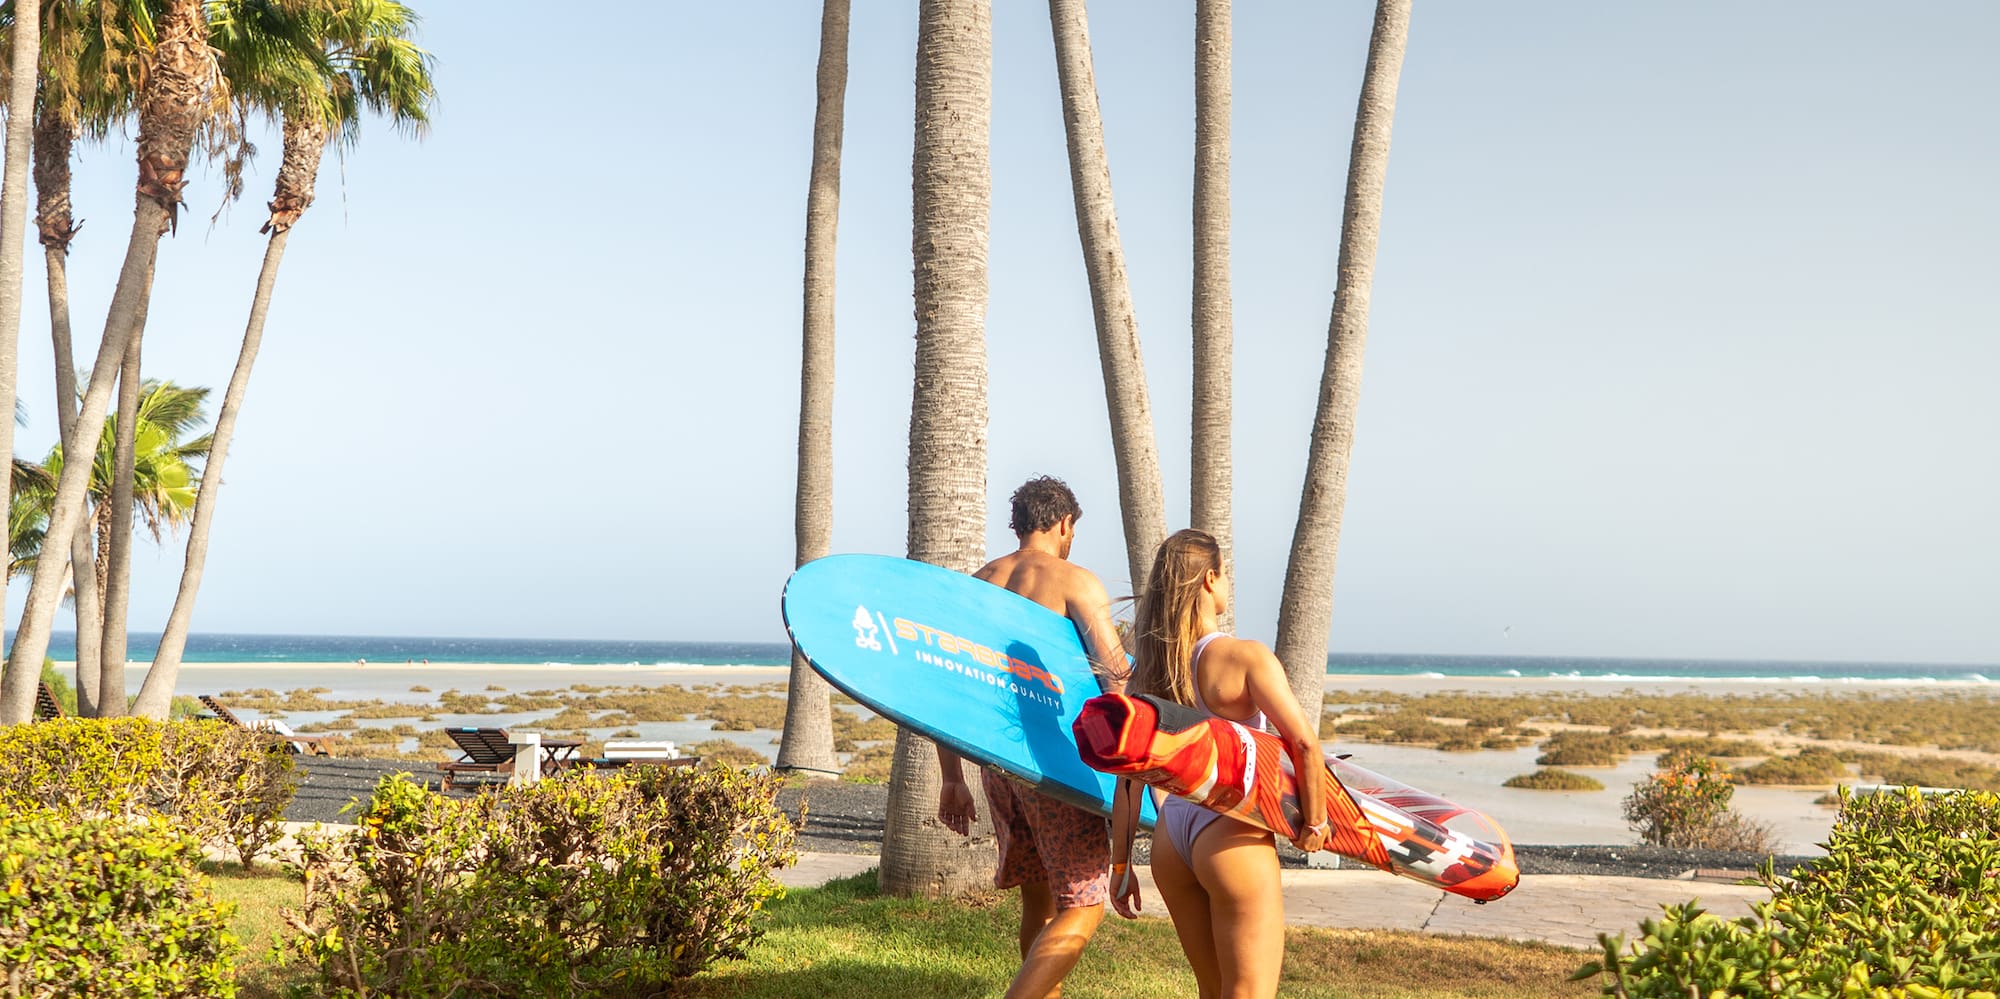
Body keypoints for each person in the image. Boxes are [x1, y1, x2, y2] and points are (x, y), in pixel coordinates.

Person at [1108, 528, 1328, 999]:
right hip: (1230, 826)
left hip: (1173, 834)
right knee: (1248, 992)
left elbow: (1128, 781)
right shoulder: (1244, 657)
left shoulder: (1152, 667)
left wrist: (1121, 865)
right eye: (1225, 574)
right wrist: (1316, 820)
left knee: (1213, 991)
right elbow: (1305, 744)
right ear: (1210, 579)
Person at [936, 476, 1127, 999]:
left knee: (1038, 903)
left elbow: (947, 690)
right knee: (1083, 906)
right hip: (1055, 767)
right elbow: (1117, 678)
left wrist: (952, 778)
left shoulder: (979, 582)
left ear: (1016, 525)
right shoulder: (1075, 581)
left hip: (997, 767)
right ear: (1064, 524)